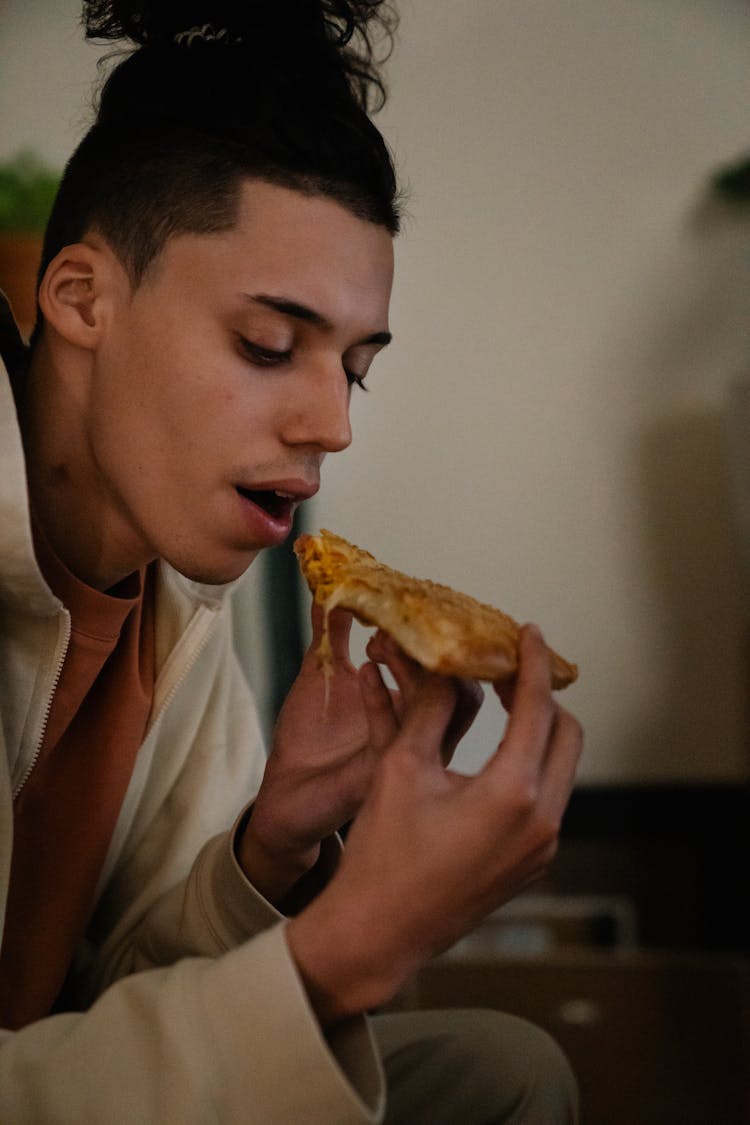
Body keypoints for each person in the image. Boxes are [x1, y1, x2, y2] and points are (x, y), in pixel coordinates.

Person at [0, 1, 584, 1121]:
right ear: (81, 298)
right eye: (269, 345)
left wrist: (273, 845)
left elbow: (113, 1008)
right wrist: (347, 948)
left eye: (354, 368)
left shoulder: (182, 611)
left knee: (506, 1068)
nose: (333, 424)